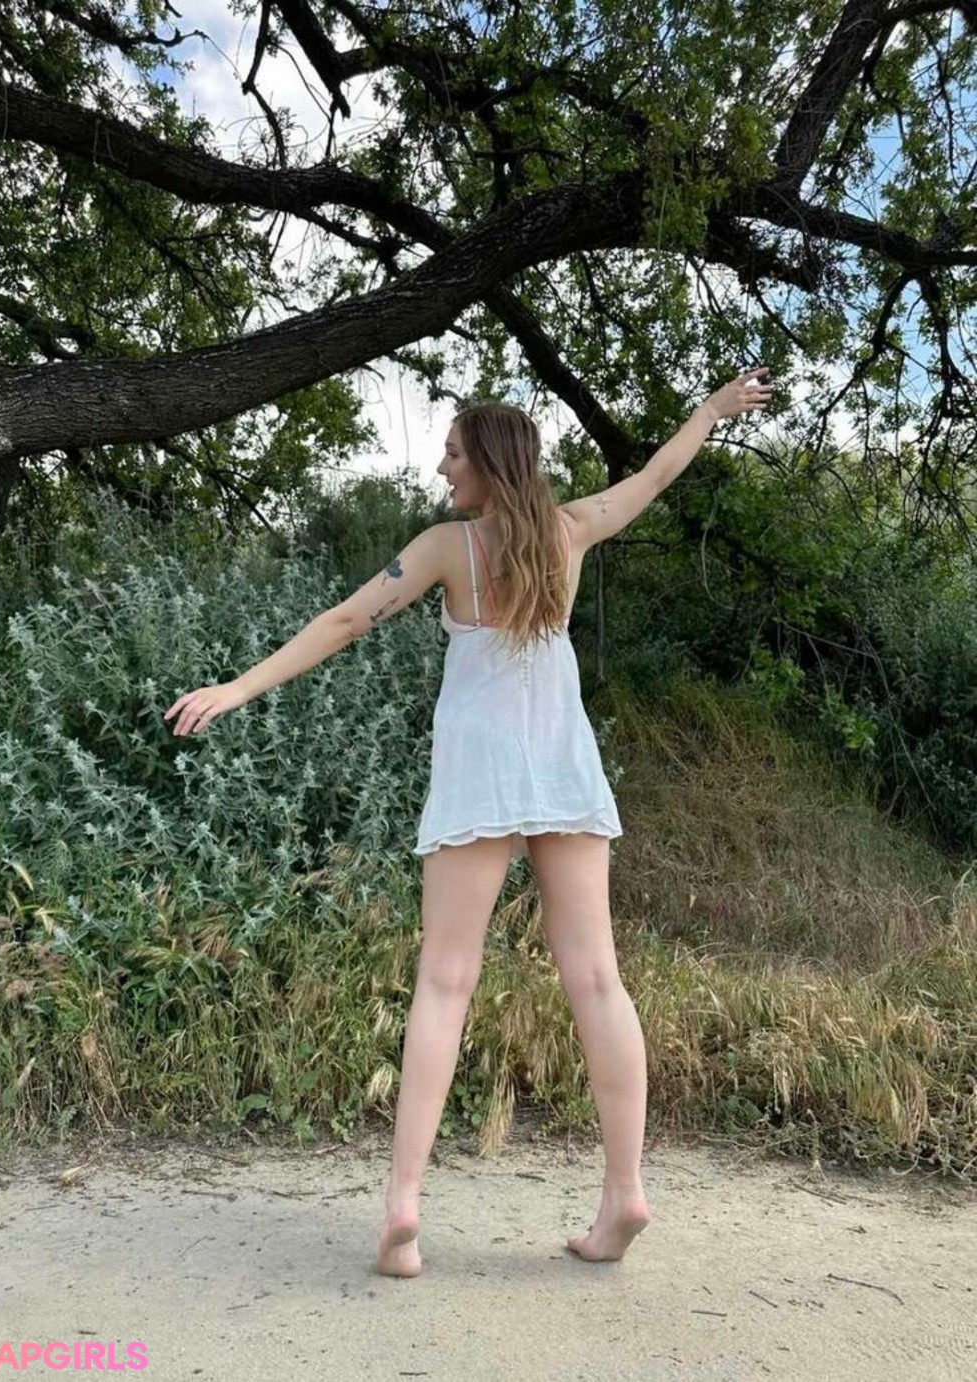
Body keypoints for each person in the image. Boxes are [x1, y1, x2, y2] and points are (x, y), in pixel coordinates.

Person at [163, 367, 774, 1278]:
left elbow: (346, 619)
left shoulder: (449, 548)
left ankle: (404, 1207)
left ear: (488, 462)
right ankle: (624, 1190)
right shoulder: (573, 530)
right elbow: (655, 476)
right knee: (597, 980)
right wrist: (712, 411)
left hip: (481, 769)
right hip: (562, 763)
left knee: (445, 981)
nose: (443, 466)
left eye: (454, 453)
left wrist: (239, 687)